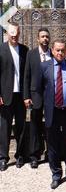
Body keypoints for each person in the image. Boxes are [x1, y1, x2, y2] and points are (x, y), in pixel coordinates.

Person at [37, 39, 66, 189]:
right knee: (52, 144)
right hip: (52, 111)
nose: (60, 53)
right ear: (52, 50)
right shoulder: (44, 66)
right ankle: (56, 174)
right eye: (57, 50)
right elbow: (39, 88)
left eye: (63, 50)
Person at [0, 24, 29, 171]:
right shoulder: (1, 49)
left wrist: (27, 95)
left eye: (16, 34)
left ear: (19, 34)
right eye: (11, 33)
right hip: (5, 95)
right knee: (4, 128)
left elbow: (27, 74)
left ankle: (20, 155)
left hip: (21, 96)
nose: (14, 36)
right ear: (7, 33)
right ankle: (3, 158)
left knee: (21, 127)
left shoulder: (24, 50)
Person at [23, 28, 52, 169]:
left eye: (47, 36)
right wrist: (26, 96)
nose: (45, 39)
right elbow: (26, 76)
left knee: (50, 125)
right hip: (35, 96)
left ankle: (50, 153)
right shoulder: (31, 54)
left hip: (50, 96)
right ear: (38, 38)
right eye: (42, 36)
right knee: (34, 126)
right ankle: (34, 156)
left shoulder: (53, 54)